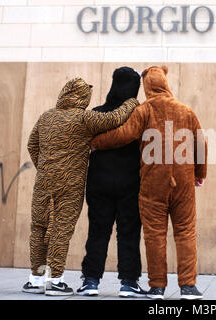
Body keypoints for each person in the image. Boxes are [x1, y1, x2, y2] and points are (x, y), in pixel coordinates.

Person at [91, 66, 207, 300]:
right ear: (165, 83)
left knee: (155, 234)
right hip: (183, 182)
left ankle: (157, 287)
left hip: (153, 183)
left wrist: (96, 142)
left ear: (146, 87)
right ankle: (188, 286)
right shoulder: (186, 110)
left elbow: (123, 134)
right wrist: (199, 173)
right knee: (185, 232)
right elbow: (201, 144)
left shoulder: (145, 110)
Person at [23, 77, 139, 296]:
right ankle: (55, 280)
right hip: (70, 183)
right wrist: (131, 102)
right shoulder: (84, 118)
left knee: (39, 228)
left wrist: (45, 167)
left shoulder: (46, 117)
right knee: (61, 228)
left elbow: (32, 145)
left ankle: (36, 278)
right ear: (83, 97)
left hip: (44, 181)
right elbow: (115, 118)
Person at [77, 67, 147, 298]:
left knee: (98, 231)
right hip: (131, 182)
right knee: (128, 232)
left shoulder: (97, 113)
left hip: (99, 182)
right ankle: (128, 283)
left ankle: (90, 281)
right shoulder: (140, 115)